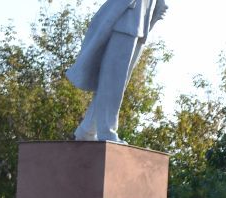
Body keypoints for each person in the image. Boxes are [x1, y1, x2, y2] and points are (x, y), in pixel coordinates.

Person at [66, 0, 168, 143]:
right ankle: (107, 131)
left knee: (113, 84)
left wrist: (157, 11)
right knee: (113, 83)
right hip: (125, 20)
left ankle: (87, 129)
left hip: (140, 24)